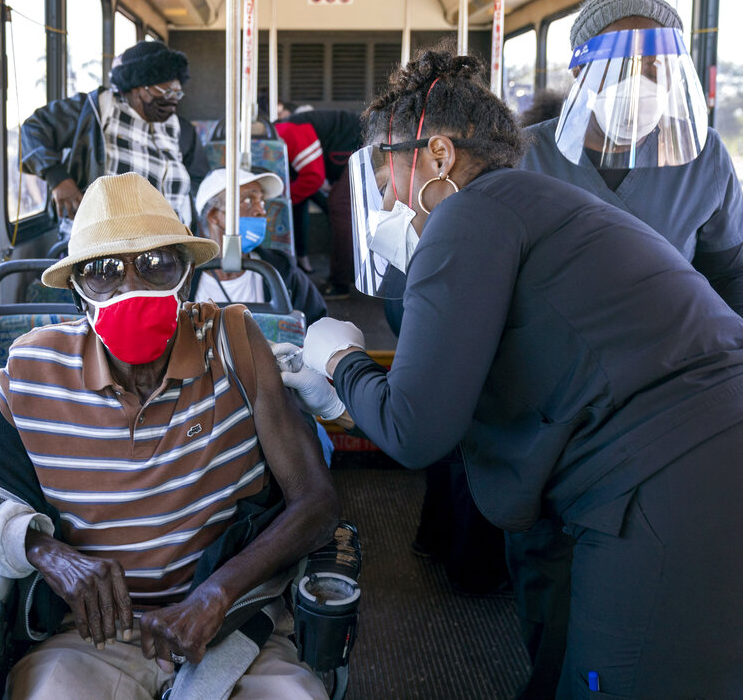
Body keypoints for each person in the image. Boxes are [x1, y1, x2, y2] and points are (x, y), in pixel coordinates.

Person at [281, 47, 743, 699]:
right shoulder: (528, 202)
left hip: (672, 476)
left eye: (389, 166)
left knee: (618, 682)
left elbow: (416, 431)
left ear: (437, 157)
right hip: (695, 457)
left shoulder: (468, 216)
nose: (387, 192)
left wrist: (340, 356)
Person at [0, 173, 337, 699]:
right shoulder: (33, 371)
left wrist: (216, 595)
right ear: (79, 292)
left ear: (185, 278)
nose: (131, 287)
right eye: (104, 273)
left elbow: (317, 502)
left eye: (156, 266)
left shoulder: (235, 342)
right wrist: (48, 552)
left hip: (233, 621)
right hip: (93, 636)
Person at [510, 0, 743, 698]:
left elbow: (730, 277)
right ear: (580, 72)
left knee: (642, 580)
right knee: (549, 571)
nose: (641, 86)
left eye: (657, 67)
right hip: (550, 401)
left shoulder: (702, 164)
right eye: (623, 65)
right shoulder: (525, 162)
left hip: (661, 405)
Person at [20, 41, 210, 227]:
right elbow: (33, 129)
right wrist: (58, 177)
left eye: (177, 93)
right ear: (137, 87)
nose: (173, 100)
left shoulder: (181, 130)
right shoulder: (95, 110)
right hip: (103, 239)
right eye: (165, 91)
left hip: (168, 241)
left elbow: (200, 181)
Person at [193, 167, 327, 327]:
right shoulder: (183, 279)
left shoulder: (281, 270)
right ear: (214, 215)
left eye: (261, 201)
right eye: (248, 200)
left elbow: (318, 323)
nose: (261, 211)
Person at [274, 110, 362, 298]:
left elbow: (313, 178)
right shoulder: (281, 132)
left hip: (363, 143)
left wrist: (283, 205)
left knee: (340, 205)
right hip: (349, 146)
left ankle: (340, 283)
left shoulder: (286, 132)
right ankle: (353, 272)